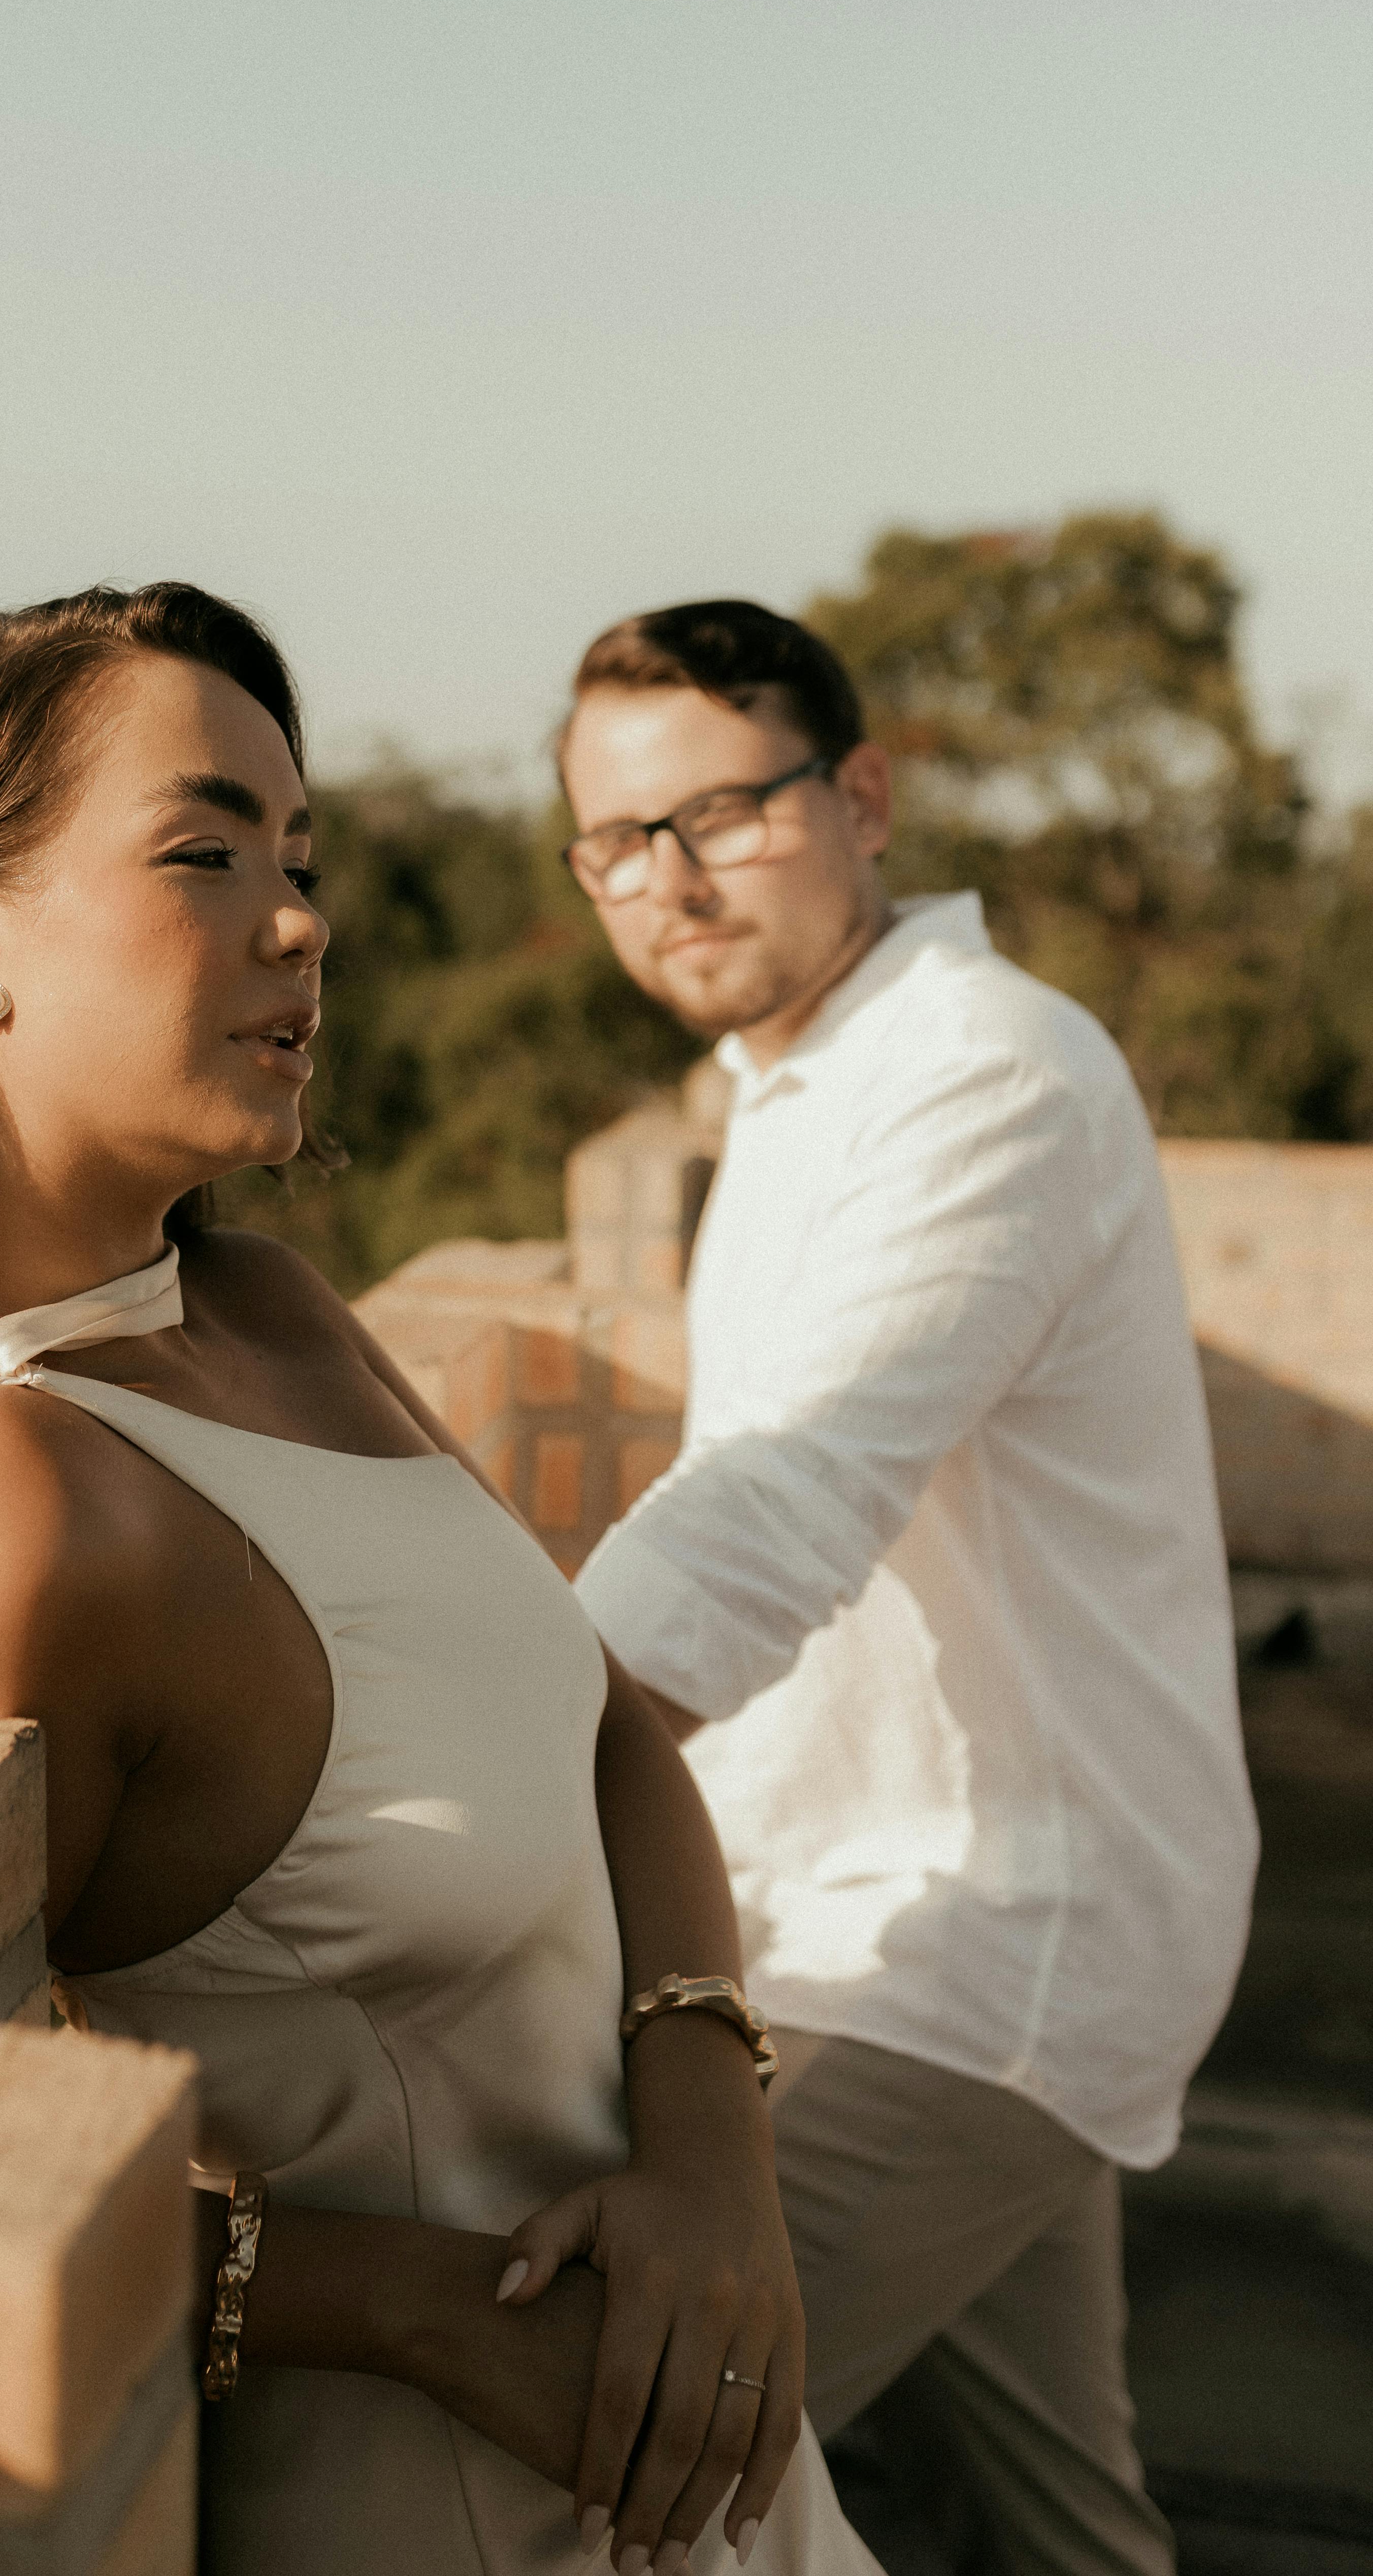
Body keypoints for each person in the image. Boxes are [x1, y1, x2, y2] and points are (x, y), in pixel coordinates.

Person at [0, 583, 881, 2576]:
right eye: (204, 855)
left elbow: (607, 1738)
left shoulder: (278, 1316)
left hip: (729, 2492)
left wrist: (712, 2156)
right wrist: (392, 2304)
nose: (300, 920)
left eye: (300, 862)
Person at [561, 600, 1258, 2576]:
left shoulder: (982, 1077)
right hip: (916, 1908)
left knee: (593, 2498)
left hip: (983, 1937)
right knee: (1061, 2527)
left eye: (718, 811)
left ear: (859, 797)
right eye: (612, 841)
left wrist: (453, 1771)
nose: (662, 881)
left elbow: (771, 1509)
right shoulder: (789, 1083)